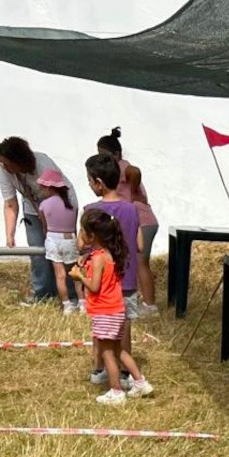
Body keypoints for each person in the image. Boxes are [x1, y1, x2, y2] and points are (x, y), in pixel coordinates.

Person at [68, 208, 152, 404]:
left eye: (82, 230)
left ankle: (116, 391)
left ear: (92, 235)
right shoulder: (106, 253)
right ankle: (140, 382)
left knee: (107, 354)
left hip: (105, 312)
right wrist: (85, 260)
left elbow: (95, 286)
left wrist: (79, 276)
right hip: (116, 310)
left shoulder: (98, 258)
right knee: (119, 351)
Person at [84, 154, 143, 392]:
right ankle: (127, 372)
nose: (88, 184)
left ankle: (100, 368)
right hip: (127, 279)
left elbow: (83, 244)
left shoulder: (91, 211)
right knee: (123, 328)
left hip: (102, 281)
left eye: (89, 180)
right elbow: (140, 246)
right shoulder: (131, 208)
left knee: (101, 327)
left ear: (98, 182)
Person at [0, 136, 79, 302]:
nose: (3, 166)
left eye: (5, 162)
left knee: (64, 249)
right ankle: (43, 294)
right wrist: (9, 234)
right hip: (33, 208)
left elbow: (59, 194)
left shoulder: (42, 164)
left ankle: (72, 294)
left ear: (18, 159)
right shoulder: (4, 173)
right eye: (0, 162)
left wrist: (52, 224)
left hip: (61, 206)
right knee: (38, 251)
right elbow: (10, 203)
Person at [97, 128, 159, 316]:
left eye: (105, 155)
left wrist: (132, 192)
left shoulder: (122, 167)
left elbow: (135, 171)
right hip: (139, 221)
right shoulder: (115, 169)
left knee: (141, 262)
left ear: (116, 154)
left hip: (143, 220)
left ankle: (150, 305)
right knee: (134, 261)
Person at [37, 169, 84, 314]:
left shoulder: (44, 205)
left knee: (60, 275)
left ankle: (66, 304)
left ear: (49, 188)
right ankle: (83, 303)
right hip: (70, 238)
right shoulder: (72, 205)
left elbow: (44, 226)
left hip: (53, 238)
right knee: (75, 273)